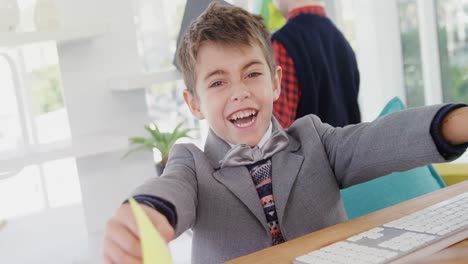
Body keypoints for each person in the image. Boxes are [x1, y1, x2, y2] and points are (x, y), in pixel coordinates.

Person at [102, 2, 468, 264]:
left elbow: (382, 138)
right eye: (218, 82)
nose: (239, 91)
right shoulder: (191, 165)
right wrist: (146, 214)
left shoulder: (314, 139)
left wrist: (460, 121)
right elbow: (169, 191)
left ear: (276, 82)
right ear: (194, 103)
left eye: (252, 73)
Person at [271, 0, 361, 128]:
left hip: (309, 147)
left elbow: (279, 132)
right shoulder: (343, 43)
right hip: (349, 147)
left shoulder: (283, 45)